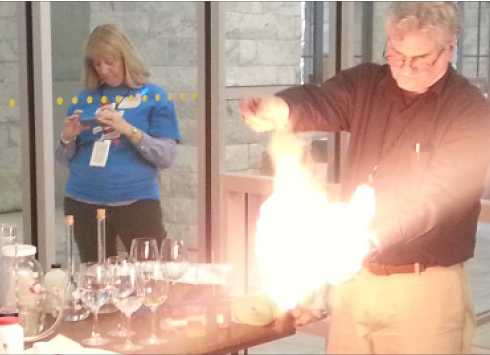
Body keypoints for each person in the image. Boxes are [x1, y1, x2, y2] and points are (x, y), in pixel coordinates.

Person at [239, 2, 490, 354]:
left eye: (420, 59)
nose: (405, 67)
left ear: (449, 49)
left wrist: (368, 239)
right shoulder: (368, 83)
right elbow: (322, 100)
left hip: (423, 289)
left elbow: (438, 203)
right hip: (358, 283)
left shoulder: (469, 111)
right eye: (396, 54)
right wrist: (281, 109)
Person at [55, 24, 180, 263]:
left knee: (151, 273)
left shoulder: (154, 97)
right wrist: (67, 138)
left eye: (109, 61)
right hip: (82, 201)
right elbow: (63, 158)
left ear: (126, 58)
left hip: (136, 201)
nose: (103, 70)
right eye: (96, 63)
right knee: (96, 277)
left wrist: (128, 130)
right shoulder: (83, 98)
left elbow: (166, 157)